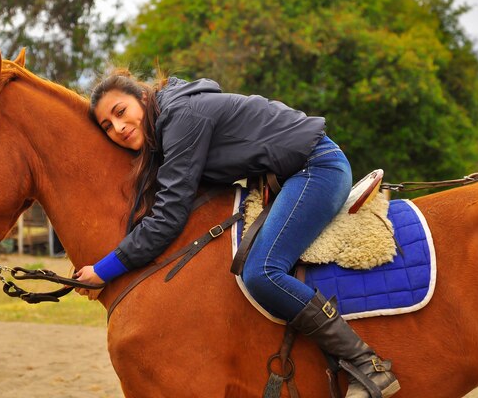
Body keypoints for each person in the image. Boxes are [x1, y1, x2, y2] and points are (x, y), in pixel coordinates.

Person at [75, 69, 400, 398]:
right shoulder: (171, 122)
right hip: (292, 176)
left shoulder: (182, 117)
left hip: (316, 167)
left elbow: (168, 216)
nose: (118, 127)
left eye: (120, 112)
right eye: (107, 126)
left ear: (142, 98)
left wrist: (104, 270)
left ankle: (367, 363)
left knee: (263, 273)